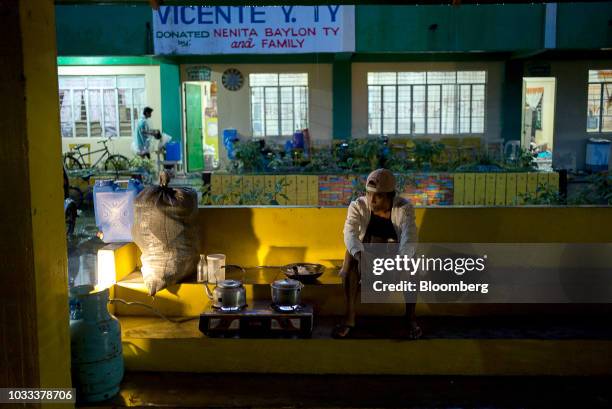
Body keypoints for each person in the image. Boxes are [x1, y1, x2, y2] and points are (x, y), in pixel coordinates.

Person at [333, 168, 421, 339]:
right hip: (366, 258)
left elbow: (409, 237)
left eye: (378, 195)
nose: (371, 199)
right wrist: (360, 256)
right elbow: (349, 233)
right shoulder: (357, 206)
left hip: (392, 259)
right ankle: (349, 318)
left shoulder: (404, 208)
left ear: (390, 195)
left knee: (413, 261)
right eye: (369, 193)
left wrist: (402, 262)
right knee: (350, 253)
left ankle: (410, 319)